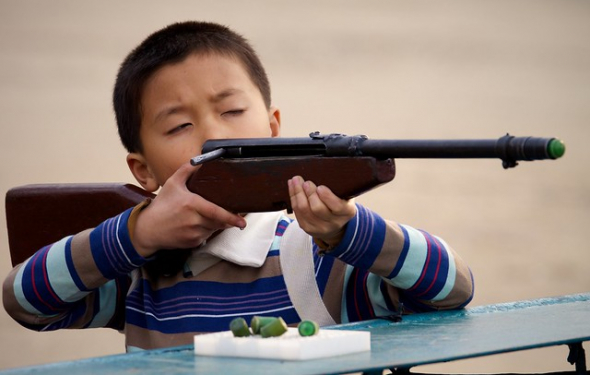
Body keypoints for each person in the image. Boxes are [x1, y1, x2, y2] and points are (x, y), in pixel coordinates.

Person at [3, 21, 474, 351]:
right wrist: (137, 234)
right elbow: (25, 301)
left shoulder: (312, 258)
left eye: (231, 111)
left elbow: (452, 287)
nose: (215, 134)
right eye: (178, 125)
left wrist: (350, 230)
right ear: (142, 171)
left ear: (273, 128)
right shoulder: (135, 271)